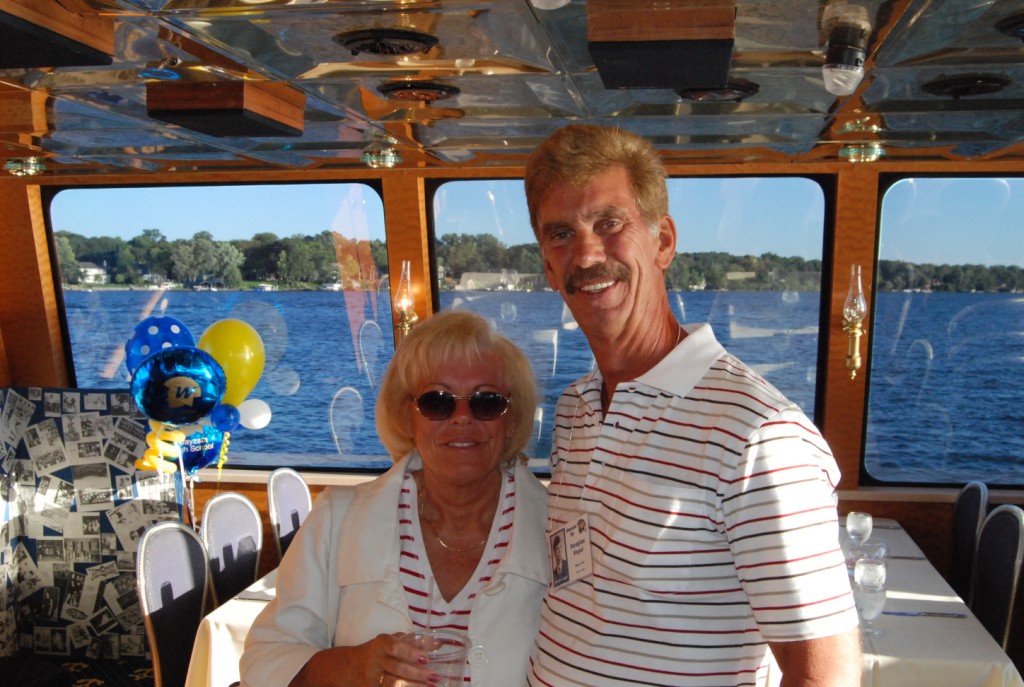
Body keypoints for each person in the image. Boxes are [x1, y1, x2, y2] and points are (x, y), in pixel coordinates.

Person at [523, 124, 862, 687]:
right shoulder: (576, 410)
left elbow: (825, 678)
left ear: (663, 241)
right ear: (547, 266)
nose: (585, 254)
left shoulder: (759, 434)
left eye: (609, 224)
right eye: (561, 234)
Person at [240, 310, 550, 687]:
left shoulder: (558, 528)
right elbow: (264, 659)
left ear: (512, 419)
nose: (462, 417)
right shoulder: (337, 519)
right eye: (437, 401)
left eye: (486, 401)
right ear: (406, 416)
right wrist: (353, 667)